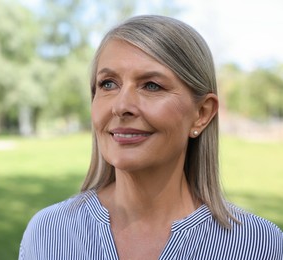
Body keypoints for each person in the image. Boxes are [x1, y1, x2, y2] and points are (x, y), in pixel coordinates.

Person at [19, 15, 283, 259]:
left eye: (151, 85)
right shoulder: (48, 233)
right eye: (108, 83)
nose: (121, 106)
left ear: (202, 113)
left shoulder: (259, 245)